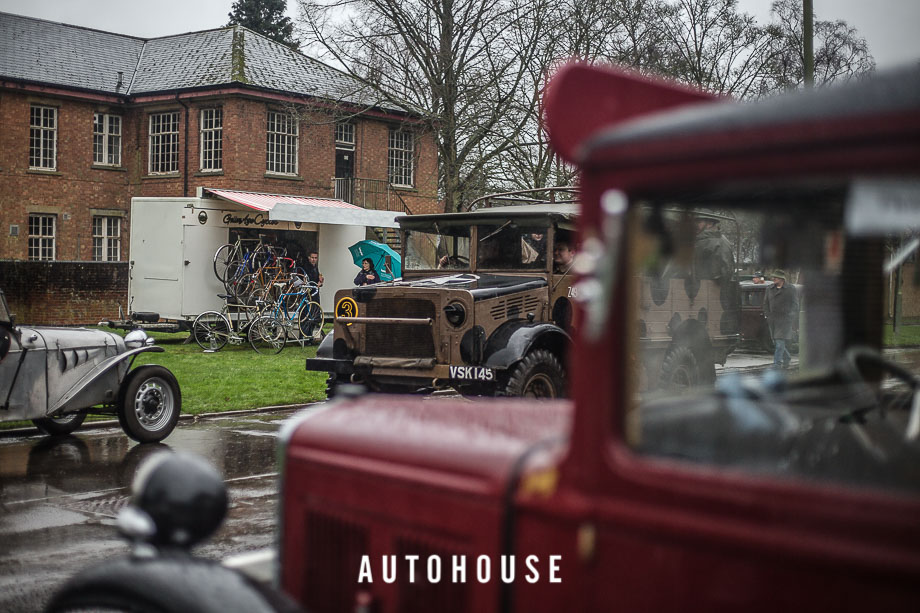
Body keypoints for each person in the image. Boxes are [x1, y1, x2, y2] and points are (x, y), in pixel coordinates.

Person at [764, 269, 797, 369]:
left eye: (776, 277)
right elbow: (765, 303)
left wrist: (791, 316)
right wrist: (767, 314)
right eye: (773, 277)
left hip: (784, 320)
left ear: (782, 279)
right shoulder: (769, 288)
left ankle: (777, 364)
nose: (773, 279)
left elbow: (795, 304)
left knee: (779, 343)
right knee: (776, 342)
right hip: (772, 319)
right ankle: (787, 358)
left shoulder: (790, 288)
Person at [693, 212, 734, 281]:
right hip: (696, 288)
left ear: (710, 223)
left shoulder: (719, 242)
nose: (694, 225)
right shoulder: (701, 240)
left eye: (698, 222)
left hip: (710, 288)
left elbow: (725, 273)